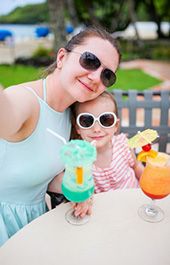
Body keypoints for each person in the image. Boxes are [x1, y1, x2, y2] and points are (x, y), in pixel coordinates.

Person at [0, 26, 121, 246]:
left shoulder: (70, 113)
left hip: (34, 221)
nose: (96, 77)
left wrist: (78, 189)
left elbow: (44, 173)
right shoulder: (25, 100)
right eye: (90, 60)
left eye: (107, 75)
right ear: (62, 57)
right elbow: (5, 116)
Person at [49, 91, 144, 217]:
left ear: (115, 125)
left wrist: (146, 186)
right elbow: (71, 184)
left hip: (133, 202)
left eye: (106, 120)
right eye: (87, 121)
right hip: (103, 213)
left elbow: (136, 166)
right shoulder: (78, 159)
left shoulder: (123, 144)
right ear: (77, 128)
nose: (97, 129)